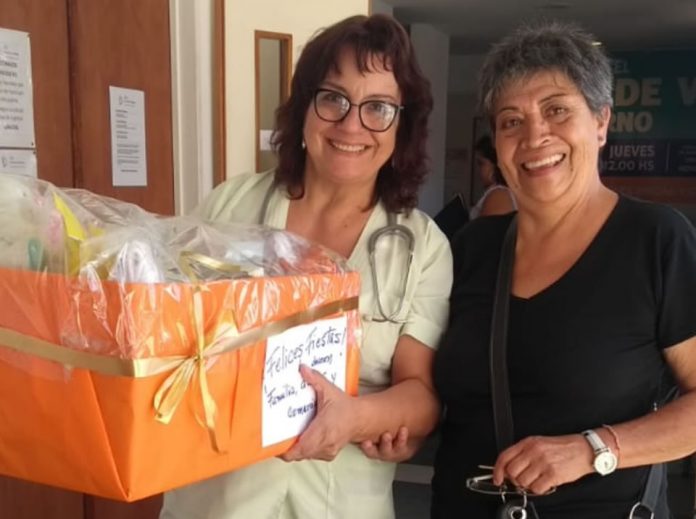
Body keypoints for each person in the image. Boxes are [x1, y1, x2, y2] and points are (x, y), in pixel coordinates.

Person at [161, 14, 452, 519]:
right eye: (333, 98)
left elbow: (421, 396)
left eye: (378, 107)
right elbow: (164, 335)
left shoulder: (422, 247)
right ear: (303, 108)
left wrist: (356, 417)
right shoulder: (228, 207)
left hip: (340, 503)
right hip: (217, 501)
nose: (351, 125)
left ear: (402, 126)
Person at [431, 21, 696, 519]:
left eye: (556, 110)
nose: (535, 136)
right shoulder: (473, 248)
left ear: (601, 121)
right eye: (511, 121)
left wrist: (593, 448)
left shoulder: (656, 240)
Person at [468, 135, 516, 219]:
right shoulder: (498, 192)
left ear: (496, 164)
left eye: (481, 164)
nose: (477, 169)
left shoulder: (499, 196)